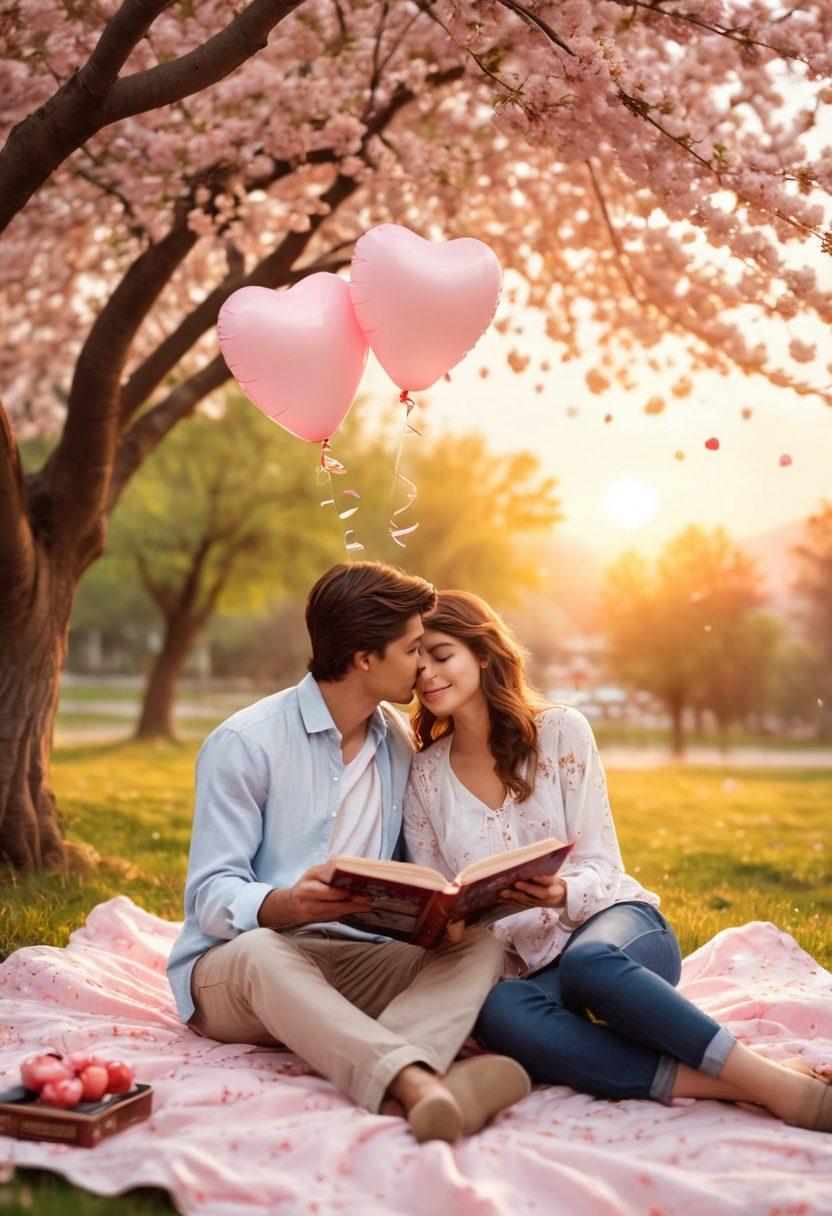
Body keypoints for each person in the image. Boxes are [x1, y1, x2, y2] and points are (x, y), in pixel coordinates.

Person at [403, 589, 832, 1133]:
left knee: (590, 963)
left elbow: (602, 863)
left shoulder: (561, 730)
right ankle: (749, 1082)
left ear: (483, 654)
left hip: (614, 926)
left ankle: (778, 1087)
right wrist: (448, 917)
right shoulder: (425, 775)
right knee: (501, 1014)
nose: (428, 676)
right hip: (529, 965)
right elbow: (440, 890)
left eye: (441, 656)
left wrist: (560, 893)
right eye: (418, 667)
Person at [166, 562, 530, 1144]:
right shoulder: (245, 743)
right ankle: (414, 1083)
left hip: (354, 959)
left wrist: (451, 910)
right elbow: (210, 895)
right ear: (365, 657)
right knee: (263, 951)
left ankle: (404, 1077)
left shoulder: (399, 746)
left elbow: (413, 873)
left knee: (481, 950)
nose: (423, 664)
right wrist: (285, 904)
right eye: (413, 649)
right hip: (242, 969)